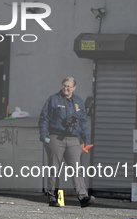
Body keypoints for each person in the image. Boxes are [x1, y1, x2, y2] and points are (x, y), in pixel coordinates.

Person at [38, 76, 95, 208]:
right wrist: (43, 135)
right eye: (64, 85)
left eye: (69, 86)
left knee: (76, 169)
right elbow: (44, 118)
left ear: (74, 88)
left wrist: (86, 140)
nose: (66, 88)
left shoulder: (79, 101)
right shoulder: (53, 99)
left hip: (74, 139)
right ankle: (53, 198)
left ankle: (83, 197)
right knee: (54, 169)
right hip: (56, 138)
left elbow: (83, 123)